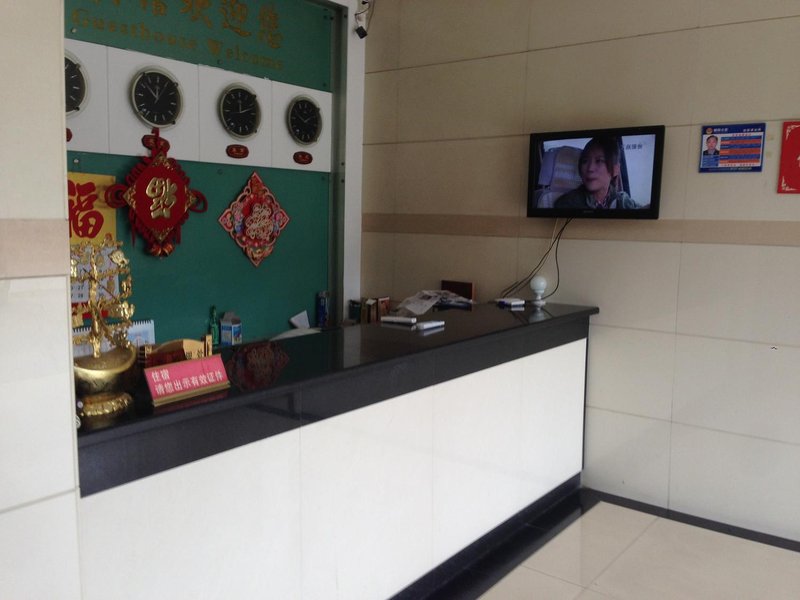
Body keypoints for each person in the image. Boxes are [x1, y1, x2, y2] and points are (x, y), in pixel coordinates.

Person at [555, 136, 640, 210]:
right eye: (585, 161)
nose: (590, 168)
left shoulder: (623, 201)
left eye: (599, 161)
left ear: (615, 169)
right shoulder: (568, 204)